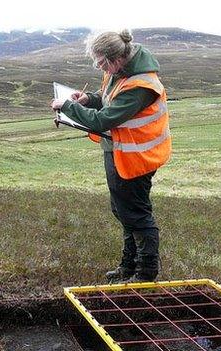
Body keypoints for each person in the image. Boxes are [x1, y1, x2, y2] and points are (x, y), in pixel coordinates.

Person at [50, 29, 171, 283]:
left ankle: (146, 274)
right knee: (123, 210)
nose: (99, 67)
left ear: (116, 57)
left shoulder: (141, 86)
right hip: (118, 151)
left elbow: (105, 119)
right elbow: (107, 103)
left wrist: (70, 107)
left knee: (137, 214)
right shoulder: (117, 72)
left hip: (137, 158)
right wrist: (88, 99)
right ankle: (128, 266)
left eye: (102, 62)